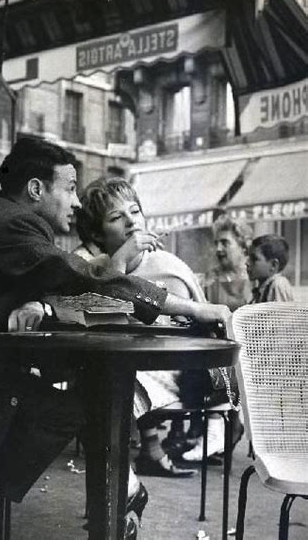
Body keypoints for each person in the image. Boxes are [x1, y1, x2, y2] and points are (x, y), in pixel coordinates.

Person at [0, 137, 230, 539]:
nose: (76, 203)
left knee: (67, 406)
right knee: (70, 409)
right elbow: (78, 276)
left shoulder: (6, 220)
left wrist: (40, 303)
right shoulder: (12, 224)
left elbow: (48, 278)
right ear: (37, 189)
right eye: (70, 189)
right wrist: (196, 309)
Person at [76, 177, 205, 478]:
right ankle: (124, 483)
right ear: (97, 233)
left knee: (110, 387)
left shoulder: (170, 266)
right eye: (116, 217)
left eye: (135, 211)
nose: (131, 222)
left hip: (175, 373)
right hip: (125, 372)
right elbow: (105, 325)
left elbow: (203, 324)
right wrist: (119, 260)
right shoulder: (95, 268)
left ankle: (120, 484)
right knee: (108, 380)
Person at [181, 213, 252, 462]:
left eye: (226, 242)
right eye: (217, 243)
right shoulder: (209, 279)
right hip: (211, 347)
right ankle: (208, 430)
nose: (219, 248)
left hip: (243, 350)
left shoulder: (252, 279)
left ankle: (216, 431)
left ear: (242, 245)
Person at [247, 234, 294, 303]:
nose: (247, 263)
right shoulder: (262, 289)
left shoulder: (278, 284)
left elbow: (278, 312)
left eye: (254, 259)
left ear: (273, 265)